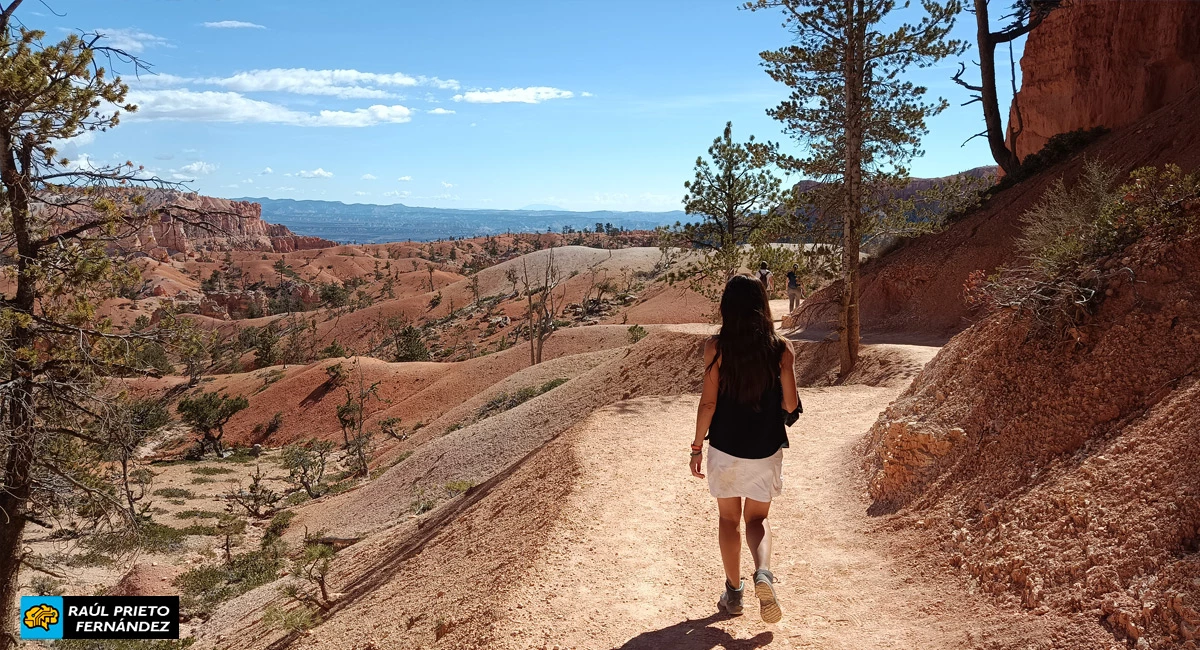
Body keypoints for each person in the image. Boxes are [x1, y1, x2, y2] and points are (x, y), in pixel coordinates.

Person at [690, 274, 799, 623]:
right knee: (758, 519)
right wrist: (786, 367)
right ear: (762, 306)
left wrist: (695, 447)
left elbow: (708, 404)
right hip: (766, 447)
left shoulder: (716, 347)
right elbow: (791, 404)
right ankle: (763, 572)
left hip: (725, 446)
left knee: (728, 520)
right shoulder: (781, 348)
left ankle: (734, 593)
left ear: (727, 307)